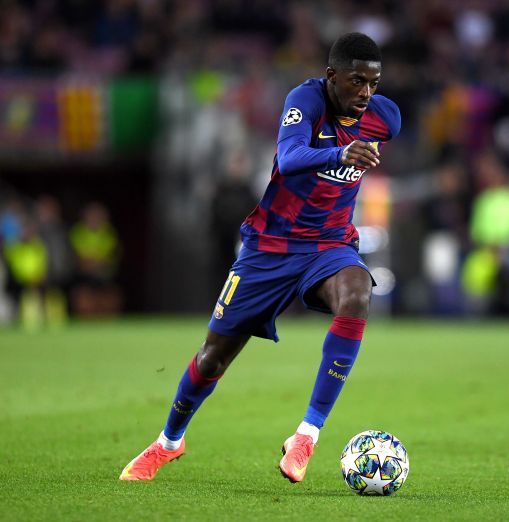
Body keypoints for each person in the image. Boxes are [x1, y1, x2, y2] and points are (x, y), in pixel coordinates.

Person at [120, 32, 400, 484]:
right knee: (213, 357)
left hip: (329, 244)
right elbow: (289, 158)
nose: (366, 93)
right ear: (332, 76)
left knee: (357, 294)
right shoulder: (305, 100)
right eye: (356, 81)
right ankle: (168, 442)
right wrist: (339, 152)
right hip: (270, 248)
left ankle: (307, 434)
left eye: (374, 82)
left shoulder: (386, 118)